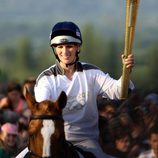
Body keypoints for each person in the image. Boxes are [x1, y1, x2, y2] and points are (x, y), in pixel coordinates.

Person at [16, 21, 135, 158]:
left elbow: (119, 92)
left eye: (69, 46)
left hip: (86, 141)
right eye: (60, 47)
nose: (65, 52)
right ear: (54, 49)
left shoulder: (92, 72)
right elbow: (44, 108)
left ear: (78, 47)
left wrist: (126, 71)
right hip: (51, 139)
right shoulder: (46, 79)